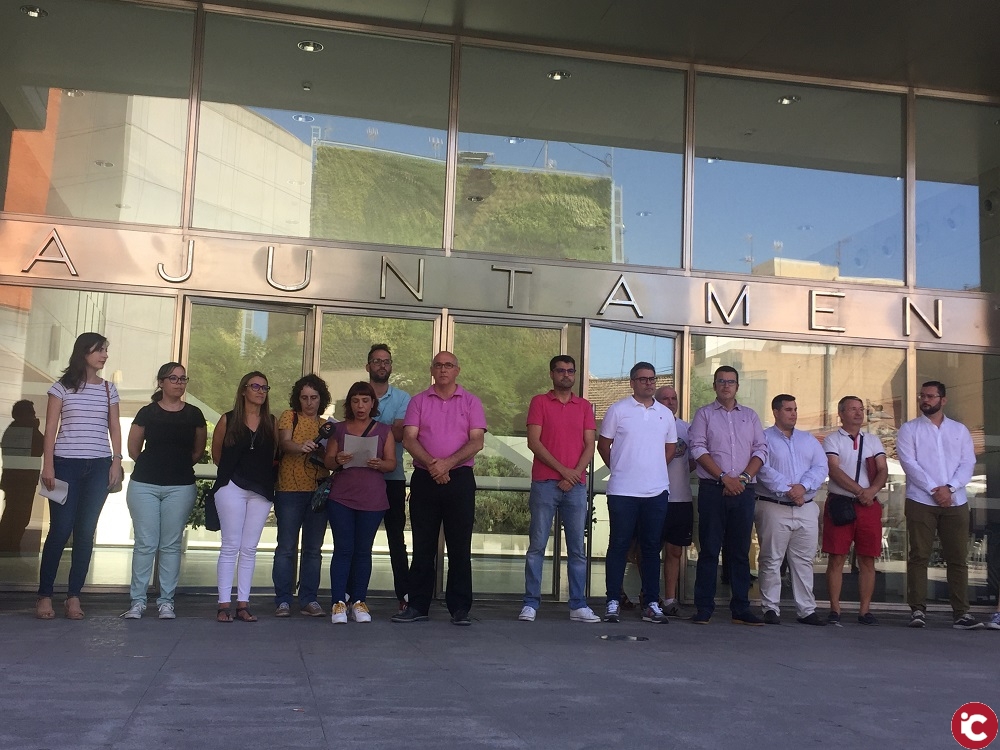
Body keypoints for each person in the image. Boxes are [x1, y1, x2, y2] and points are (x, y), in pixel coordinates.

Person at [392, 351, 487, 625]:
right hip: (425, 478)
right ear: (432, 370)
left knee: (460, 546)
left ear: (457, 370)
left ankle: (460, 609)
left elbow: (477, 441)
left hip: (460, 479)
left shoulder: (471, 401)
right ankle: (417, 606)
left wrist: (446, 464)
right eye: (438, 365)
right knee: (423, 545)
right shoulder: (418, 401)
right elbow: (409, 439)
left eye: (448, 365)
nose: (443, 369)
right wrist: (434, 465)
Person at [36, 332, 123, 620]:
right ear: (84, 352)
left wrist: (116, 461)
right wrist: (48, 465)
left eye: (106, 350)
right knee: (60, 530)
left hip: (98, 466)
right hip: (64, 465)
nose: (105, 355)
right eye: (100, 350)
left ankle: (74, 596)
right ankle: (45, 595)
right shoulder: (61, 387)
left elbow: (114, 427)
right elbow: (50, 429)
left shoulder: (109, 389)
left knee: (85, 532)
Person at [122, 363, 207, 620]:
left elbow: (197, 451)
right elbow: (133, 449)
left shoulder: (194, 414)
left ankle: (166, 602)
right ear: (161, 382)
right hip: (144, 485)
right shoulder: (147, 412)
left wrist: (175, 466)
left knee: (171, 545)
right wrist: (155, 465)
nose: (179, 383)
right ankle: (137, 602)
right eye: (173, 378)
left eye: (183, 379)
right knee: (145, 544)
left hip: (180, 486)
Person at [519, 355, 600, 623]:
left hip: (575, 487)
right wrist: (564, 471)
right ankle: (531, 603)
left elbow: (590, 445)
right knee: (537, 546)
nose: (566, 375)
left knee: (577, 549)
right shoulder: (539, 402)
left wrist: (572, 474)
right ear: (552, 374)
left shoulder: (584, 406)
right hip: (545, 483)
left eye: (570, 371)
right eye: (561, 371)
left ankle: (578, 605)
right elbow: (534, 442)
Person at [896, 381, 982, 630]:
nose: (925, 400)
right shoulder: (909, 429)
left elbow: (968, 463)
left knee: (957, 558)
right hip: (921, 500)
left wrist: (950, 488)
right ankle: (918, 610)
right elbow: (909, 464)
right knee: (919, 556)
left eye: (931, 396)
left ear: (943, 400)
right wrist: (935, 489)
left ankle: (961, 613)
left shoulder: (959, 430)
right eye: (922, 396)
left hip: (956, 501)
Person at [597, 362, 676, 624]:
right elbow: (604, 445)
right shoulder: (618, 410)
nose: (649, 383)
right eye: (643, 379)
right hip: (623, 491)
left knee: (651, 548)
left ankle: (651, 603)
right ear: (632, 382)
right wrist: (621, 468)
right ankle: (612, 601)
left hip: (656, 492)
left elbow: (670, 448)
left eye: (652, 379)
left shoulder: (665, 414)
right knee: (619, 545)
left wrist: (653, 469)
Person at [688, 365, 768, 625]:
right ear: (714, 386)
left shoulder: (751, 417)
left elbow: (761, 450)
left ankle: (741, 609)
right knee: (709, 549)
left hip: (744, 490)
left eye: (730, 381)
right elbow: (697, 448)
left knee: (740, 551)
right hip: (713, 489)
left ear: (737, 386)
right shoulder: (704, 414)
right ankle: (704, 608)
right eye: (721, 381)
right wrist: (724, 477)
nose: (726, 385)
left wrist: (741, 479)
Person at [324, 381, 396, 624]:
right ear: (350, 404)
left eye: (365, 401)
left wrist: (380, 464)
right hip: (342, 498)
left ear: (372, 403)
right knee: (343, 549)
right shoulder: (339, 429)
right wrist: (338, 459)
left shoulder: (383, 430)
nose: (360, 406)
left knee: (364, 551)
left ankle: (359, 601)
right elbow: (328, 461)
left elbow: (391, 463)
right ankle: (338, 602)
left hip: (372, 498)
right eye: (355, 401)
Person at [755, 394, 828, 626]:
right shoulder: (763, 438)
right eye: (788, 409)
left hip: (805, 507)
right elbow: (762, 469)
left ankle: (807, 610)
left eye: (795, 409)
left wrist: (802, 487)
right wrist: (789, 490)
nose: (793, 413)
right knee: (771, 559)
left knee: (804, 560)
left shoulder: (808, 440)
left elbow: (821, 466)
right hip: (774, 506)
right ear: (776, 412)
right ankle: (770, 608)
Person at [211, 371, 277, 623]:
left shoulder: (271, 422)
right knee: (230, 545)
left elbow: (273, 456)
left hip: (260, 490)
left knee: (249, 548)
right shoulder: (228, 419)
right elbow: (217, 454)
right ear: (243, 390)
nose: (260, 391)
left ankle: (243, 604)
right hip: (232, 486)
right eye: (255, 386)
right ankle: (223, 605)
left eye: (265, 387)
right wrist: (232, 476)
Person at [822, 395, 888, 626]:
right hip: (841, 503)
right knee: (836, 557)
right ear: (841, 414)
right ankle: (835, 609)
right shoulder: (832, 440)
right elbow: (834, 470)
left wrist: (872, 491)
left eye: (861, 409)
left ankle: (865, 610)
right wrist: (861, 491)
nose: (859, 413)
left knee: (868, 559)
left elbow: (882, 469)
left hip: (868, 506)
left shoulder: (873, 440)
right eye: (852, 409)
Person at [272, 374, 331, 618]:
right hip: (289, 489)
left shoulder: (327, 425)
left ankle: (309, 599)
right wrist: (301, 446)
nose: (309, 402)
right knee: (286, 547)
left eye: (313, 398)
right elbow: (284, 443)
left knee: (313, 549)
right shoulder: (290, 416)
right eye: (304, 397)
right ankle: (283, 600)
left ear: (321, 399)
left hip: (317, 490)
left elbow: (331, 458)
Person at [366, 344, 411, 611]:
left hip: (392, 478)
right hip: (361, 478)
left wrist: (369, 430)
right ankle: (353, 595)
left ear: (391, 366)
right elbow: (351, 431)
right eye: (377, 361)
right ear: (368, 366)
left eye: (386, 361)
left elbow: (401, 433)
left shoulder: (403, 398)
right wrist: (387, 429)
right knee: (361, 540)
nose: (382, 365)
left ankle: (404, 596)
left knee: (396, 539)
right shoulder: (358, 394)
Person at [654, 385, 695, 617]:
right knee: (648, 550)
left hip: (681, 499)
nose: (670, 402)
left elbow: (697, 458)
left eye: (673, 398)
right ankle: (649, 596)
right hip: (652, 496)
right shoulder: (649, 425)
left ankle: (670, 600)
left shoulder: (687, 429)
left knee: (675, 551)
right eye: (665, 399)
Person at [0, 400, 44, 554]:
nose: (34, 415)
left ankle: (9, 546)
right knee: (19, 515)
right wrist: (35, 427)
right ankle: (9, 547)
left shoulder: (12, 429)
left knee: (13, 513)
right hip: (22, 480)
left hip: (15, 479)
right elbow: (39, 447)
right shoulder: (24, 430)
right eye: (31, 412)